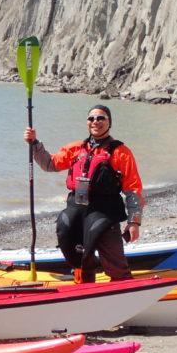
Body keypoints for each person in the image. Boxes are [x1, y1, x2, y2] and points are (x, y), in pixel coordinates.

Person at [23, 104, 143, 282]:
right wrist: (34, 143)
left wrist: (134, 222)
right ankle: (84, 284)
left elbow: (133, 189)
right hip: (78, 211)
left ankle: (123, 285)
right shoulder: (76, 148)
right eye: (91, 118)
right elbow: (49, 164)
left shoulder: (121, 152)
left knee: (116, 265)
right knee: (77, 255)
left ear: (109, 122)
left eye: (101, 118)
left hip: (105, 213)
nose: (96, 122)